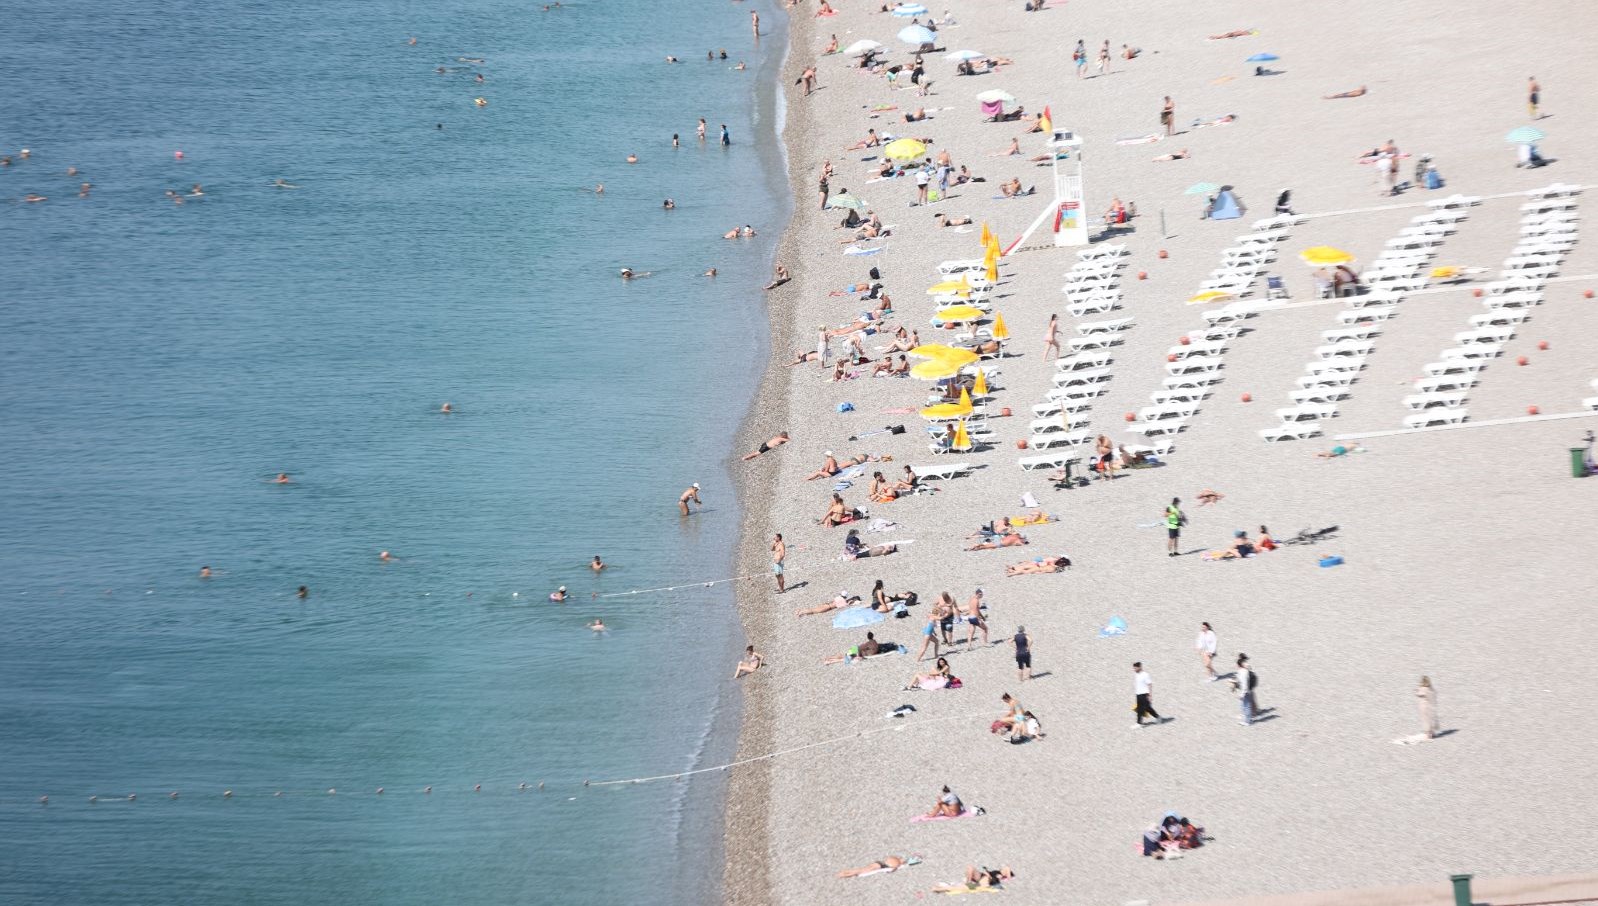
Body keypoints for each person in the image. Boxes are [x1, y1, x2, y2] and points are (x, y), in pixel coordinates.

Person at [932, 866, 1014, 893]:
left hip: (985, 881)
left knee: (958, 888)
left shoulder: (999, 878)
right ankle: (969, 882)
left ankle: (939, 889)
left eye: (1005, 871)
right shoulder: (996, 871)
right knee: (970, 867)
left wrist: (990, 876)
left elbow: (1007, 869)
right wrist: (987, 873)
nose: (1003, 869)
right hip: (981, 876)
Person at [1134, 661, 1164, 726]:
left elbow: (1149, 684)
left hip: (1144, 694)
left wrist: (1150, 695)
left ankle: (1158, 717)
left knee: (1147, 708)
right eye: (1134, 668)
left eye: (1136, 668)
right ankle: (1139, 723)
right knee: (1139, 709)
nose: (1134, 669)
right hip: (1138, 694)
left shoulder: (1145, 674)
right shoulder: (1136, 675)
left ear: (1140, 667)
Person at [836, 855, 907, 878]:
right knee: (860, 871)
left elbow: (889, 863)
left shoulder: (896, 861)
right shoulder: (897, 864)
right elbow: (891, 867)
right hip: (881, 866)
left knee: (860, 871)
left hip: (880, 865)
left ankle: (843, 874)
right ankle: (842, 874)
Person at [1235, 654, 1256, 725]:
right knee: (1245, 705)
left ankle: (1247, 721)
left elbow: (1244, 684)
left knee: (1246, 706)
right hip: (1247, 691)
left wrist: (1242, 694)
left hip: (1245, 691)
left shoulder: (1242, 672)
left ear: (1239, 665)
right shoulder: (1243, 671)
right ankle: (1247, 719)